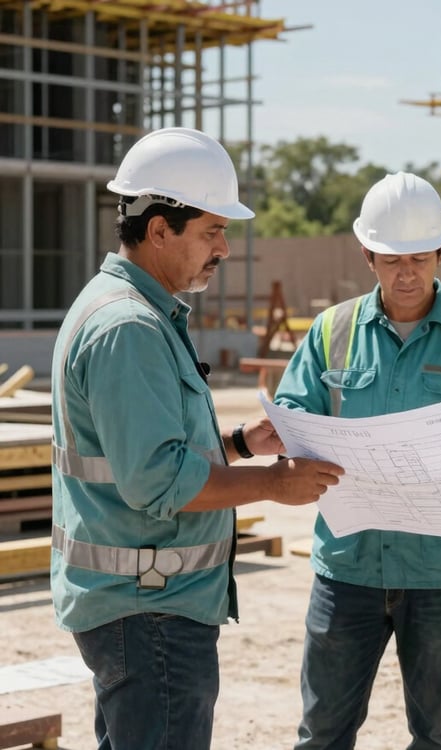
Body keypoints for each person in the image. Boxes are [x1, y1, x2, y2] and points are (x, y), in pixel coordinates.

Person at [50, 126, 344, 750]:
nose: (224, 249)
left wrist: (239, 442)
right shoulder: (128, 327)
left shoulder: (131, 311)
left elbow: (149, 449)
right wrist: (273, 484)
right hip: (148, 611)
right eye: (212, 231)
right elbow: (157, 481)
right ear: (160, 229)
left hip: (141, 605)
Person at [272, 171, 441, 749]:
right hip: (348, 568)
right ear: (367, 255)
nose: (406, 273)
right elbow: (290, 416)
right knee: (321, 733)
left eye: (419, 257)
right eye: (391, 259)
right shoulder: (331, 331)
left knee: (439, 734)